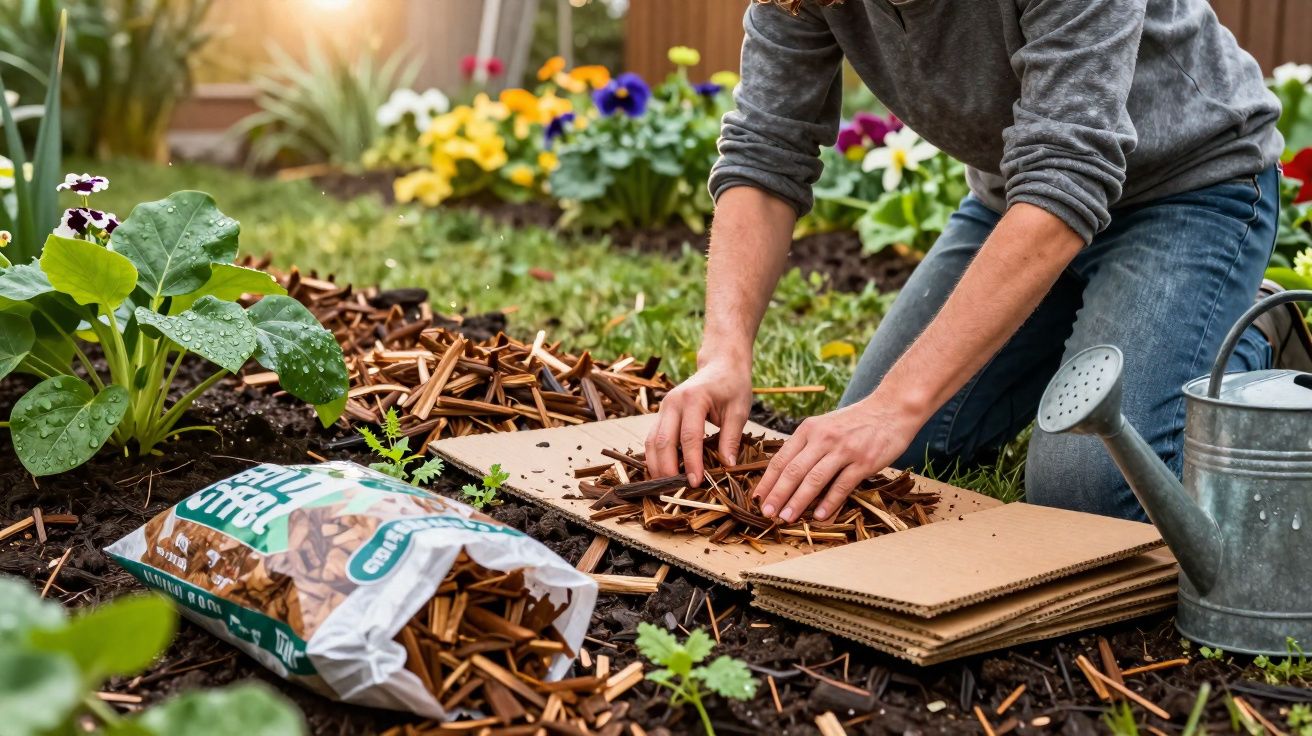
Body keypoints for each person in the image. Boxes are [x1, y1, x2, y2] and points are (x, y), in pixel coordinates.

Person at [645, 0, 1311, 523]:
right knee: (891, 460)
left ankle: (1249, 332)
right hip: (1016, 207)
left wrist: (899, 401)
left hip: (1189, 190)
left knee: (1093, 490)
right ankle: (1099, 329)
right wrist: (723, 353)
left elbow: (1067, 173)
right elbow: (766, 149)